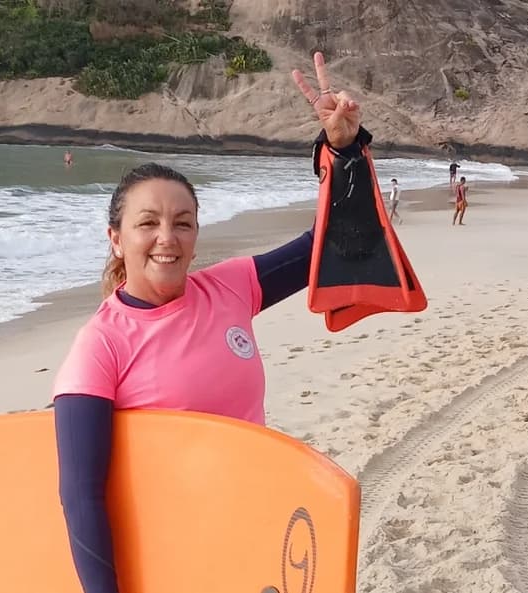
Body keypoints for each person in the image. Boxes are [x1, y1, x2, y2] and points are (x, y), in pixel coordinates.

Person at [51, 51, 372, 593]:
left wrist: (343, 150)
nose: (167, 238)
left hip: (257, 531)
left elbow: (333, 240)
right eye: (147, 223)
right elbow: (81, 497)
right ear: (116, 238)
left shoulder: (230, 287)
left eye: (183, 223)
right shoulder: (100, 345)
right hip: (173, 554)